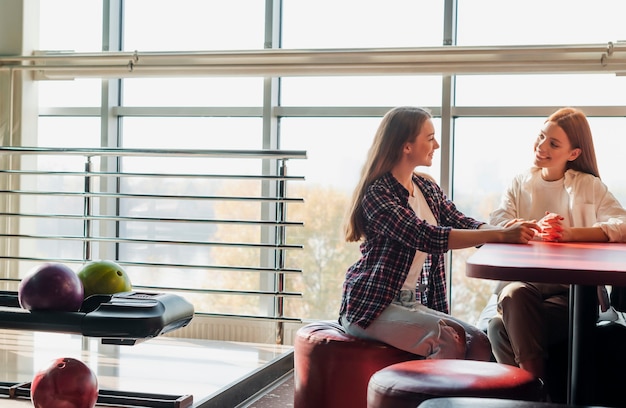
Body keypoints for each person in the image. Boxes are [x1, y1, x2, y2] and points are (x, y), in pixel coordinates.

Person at [338, 106, 540, 362]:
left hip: (412, 304)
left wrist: (505, 232)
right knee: (449, 338)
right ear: (406, 146)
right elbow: (427, 236)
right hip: (374, 306)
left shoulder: (425, 186)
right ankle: (429, 402)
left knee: (478, 342)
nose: (438, 144)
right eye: (430, 137)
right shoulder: (379, 194)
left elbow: (459, 221)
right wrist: (500, 235)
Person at [485, 107, 626, 382]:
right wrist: (535, 229)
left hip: (573, 297)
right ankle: (540, 395)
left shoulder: (589, 186)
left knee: (498, 329)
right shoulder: (520, 182)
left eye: (553, 143)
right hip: (525, 291)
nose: (541, 146)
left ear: (573, 154)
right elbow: (497, 222)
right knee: (513, 295)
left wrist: (570, 234)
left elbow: (622, 224)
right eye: (541, 137)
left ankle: (533, 396)